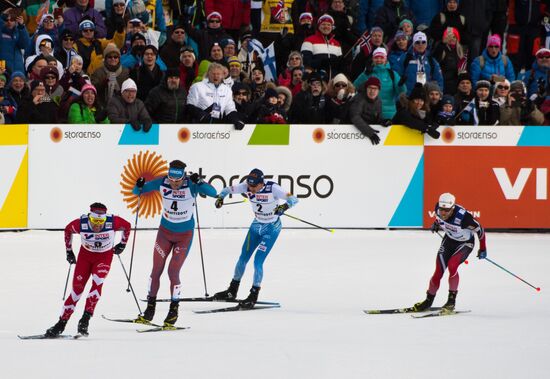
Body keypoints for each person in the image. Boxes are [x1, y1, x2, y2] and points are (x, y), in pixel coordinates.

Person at [134, 160, 218, 326]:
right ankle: (150, 309)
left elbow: (213, 192)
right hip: (164, 233)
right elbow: (137, 191)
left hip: (184, 235)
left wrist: (199, 181)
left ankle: (173, 310)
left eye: (177, 181)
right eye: (171, 179)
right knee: (156, 270)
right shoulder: (162, 181)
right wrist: (139, 184)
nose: (174, 184)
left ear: (184, 177)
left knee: (173, 272)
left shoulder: (191, 184)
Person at [212, 168, 298, 309]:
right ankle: (232, 290)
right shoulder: (246, 186)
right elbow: (227, 189)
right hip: (256, 225)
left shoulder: (273, 188)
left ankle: (253, 294)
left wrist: (284, 206)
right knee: (243, 258)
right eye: (249, 186)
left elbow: (294, 199)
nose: (250, 189)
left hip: (271, 228)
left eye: (253, 186)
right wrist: (221, 198)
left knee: (258, 262)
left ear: (261, 183)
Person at [45, 203, 131, 337]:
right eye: (94, 221)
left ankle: (85, 320)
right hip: (85, 258)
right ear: (90, 218)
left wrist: (123, 244)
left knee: (97, 283)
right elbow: (68, 230)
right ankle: (61, 324)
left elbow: (127, 226)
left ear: (104, 219)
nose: (97, 225)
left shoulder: (112, 222)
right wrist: (69, 251)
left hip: (103, 258)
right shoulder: (82, 224)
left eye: (100, 221)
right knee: (76, 291)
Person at [412, 193, 487, 312]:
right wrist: (436, 224)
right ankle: (428, 301)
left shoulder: (463, 217)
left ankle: (451, 302)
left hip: (465, 243)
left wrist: (483, 248)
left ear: (452, 208)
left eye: (447, 210)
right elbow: (439, 219)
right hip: (448, 241)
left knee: (452, 266)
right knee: (438, 272)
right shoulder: (438, 209)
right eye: (442, 209)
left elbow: (480, 230)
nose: (443, 213)